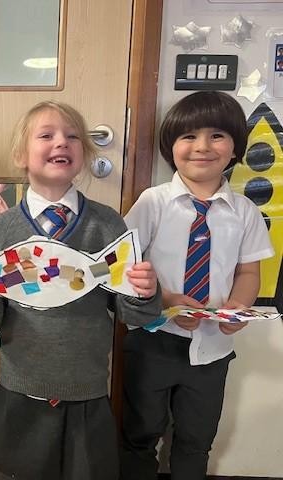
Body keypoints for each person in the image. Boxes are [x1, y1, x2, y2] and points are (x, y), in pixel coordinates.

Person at [0, 100, 162, 480]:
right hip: (21, 386)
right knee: (19, 468)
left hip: (86, 386)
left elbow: (133, 313)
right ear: (21, 155)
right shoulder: (4, 229)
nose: (61, 142)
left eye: (72, 136)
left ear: (84, 154)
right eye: (46, 135)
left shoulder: (107, 224)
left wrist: (145, 292)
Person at [120, 91, 274, 480]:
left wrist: (239, 306)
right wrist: (167, 300)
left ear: (235, 148)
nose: (202, 146)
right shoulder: (152, 203)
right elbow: (122, 266)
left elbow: (249, 272)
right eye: (189, 136)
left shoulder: (245, 212)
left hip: (212, 348)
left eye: (216, 135)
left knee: (196, 438)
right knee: (139, 433)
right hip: (152, 339)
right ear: (170, 147)